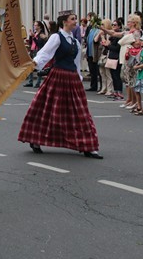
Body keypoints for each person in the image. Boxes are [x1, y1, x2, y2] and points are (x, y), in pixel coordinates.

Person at [18, 10, 103, 159]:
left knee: (80, 113)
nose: (75, 21)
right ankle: (35, 139)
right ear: (64, 22)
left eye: (75, 19)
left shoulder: (75, 41)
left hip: (72, 79)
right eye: (72, 19)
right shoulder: (56, 37)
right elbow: (45, 53)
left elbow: (76, 63)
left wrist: (79, 79)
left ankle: (88, 146)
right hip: (58, 77)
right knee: (47, 109)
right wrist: (34, 64)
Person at [24, 21, 47, 87]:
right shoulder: (34, 33)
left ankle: (38, 82)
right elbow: (31, 42)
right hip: (32, 50)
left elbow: (39, 43)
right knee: (30, 66)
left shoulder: (41, 34)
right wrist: (31, 36)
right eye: (34, 25)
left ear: (39, 26)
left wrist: (34, 37)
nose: (34, 26)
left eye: (36, 25)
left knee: (38, 66)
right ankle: (30, 81)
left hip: (38, 50)